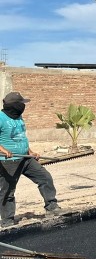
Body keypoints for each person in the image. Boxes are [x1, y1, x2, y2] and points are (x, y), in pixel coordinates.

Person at [0, 91, 63, 227]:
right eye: (21, 103)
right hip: (8, 162)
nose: (23, 106)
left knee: (45, 177)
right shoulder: (0, 117)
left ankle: (51, 207)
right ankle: (7, 220)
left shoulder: (18, 117)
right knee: (8, 191)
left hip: (26, 159)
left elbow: (21, 137)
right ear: (15, 105)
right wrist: (4, 151)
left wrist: (31, 152)